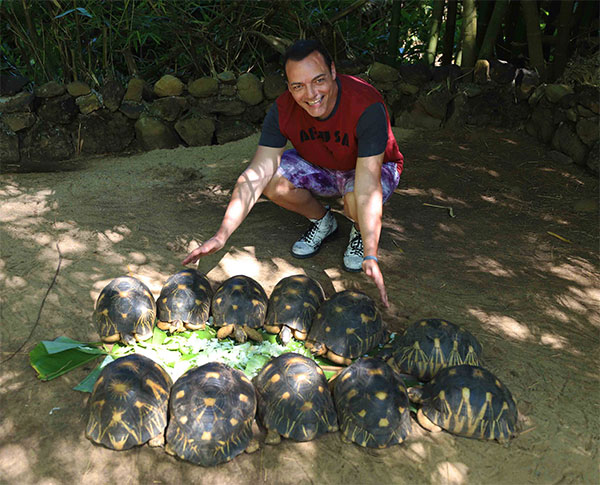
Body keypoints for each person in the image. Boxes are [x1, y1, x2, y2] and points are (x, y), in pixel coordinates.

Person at [183, 39, 404, 307]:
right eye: (298, 86)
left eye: (319, 80)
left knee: (356, 199)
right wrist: (222, 235)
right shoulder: (282, 109)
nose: (311, 94)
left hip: (369, 168)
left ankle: (358, 231)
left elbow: (368, 184)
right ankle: (323, 222)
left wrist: (371, 252)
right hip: (320, 165)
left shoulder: (365, 104)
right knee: (271, 179)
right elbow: (255, 173)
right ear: (288, 86)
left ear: (333, 72)